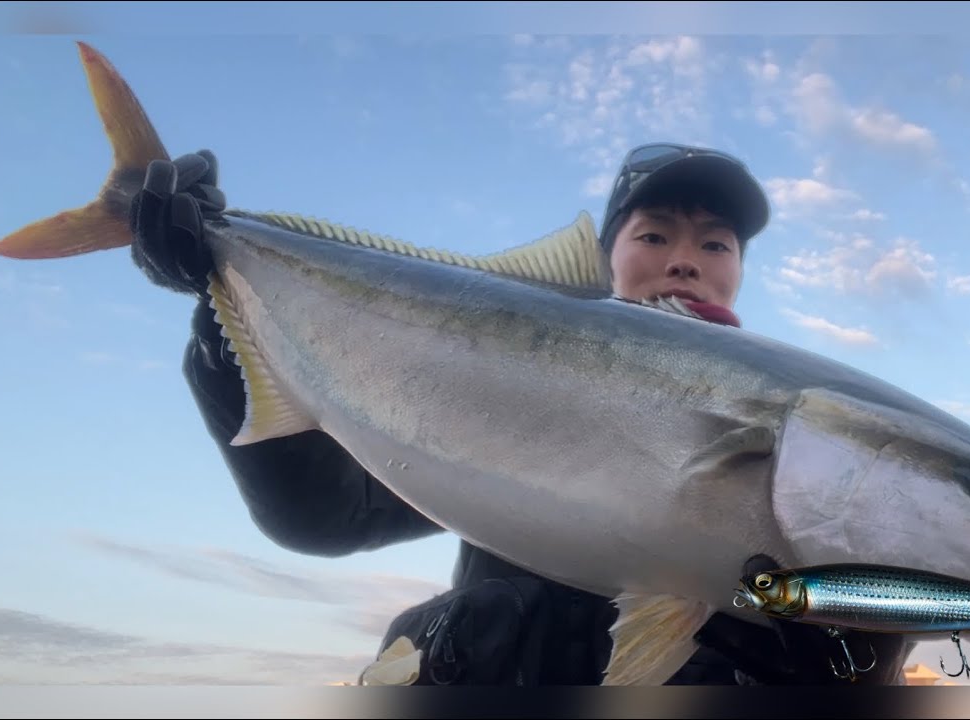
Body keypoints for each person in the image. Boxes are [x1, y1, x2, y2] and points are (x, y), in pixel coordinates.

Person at [128, 141, 913, 686]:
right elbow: (328, 514)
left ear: (738, 270)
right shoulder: (497, 394)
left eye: (717, 244)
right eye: (654, 234)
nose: (686, 258)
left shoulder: (809, 431)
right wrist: (223, 318)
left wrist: (860, 654)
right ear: (608, 255)